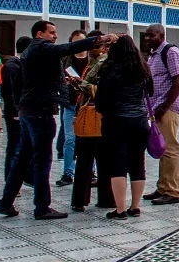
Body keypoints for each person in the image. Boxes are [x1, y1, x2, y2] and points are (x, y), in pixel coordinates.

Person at [0, 21, 113, 220]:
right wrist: (99, 39)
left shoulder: (32, 51)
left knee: (23, 158)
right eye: (51, 32)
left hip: (29, 109)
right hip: (39, 110)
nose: (55, 36)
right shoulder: (41, 47)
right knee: (42, 160)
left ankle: (6, 202)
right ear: (40, 34)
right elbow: (69, 48)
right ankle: (42, 207)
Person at [95, 35, 153, 220]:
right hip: (140, 121)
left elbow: (101, 98)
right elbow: (149, 91)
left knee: (117, 164)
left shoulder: (111, 68)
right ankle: (135, 207)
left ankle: (120, 209)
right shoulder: (143, 68)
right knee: (138, 164)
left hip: (116, 121)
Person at [142, 24, 179, 206]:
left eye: (151, 36)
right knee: (161, 148)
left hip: (167, 108)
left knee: (169, 149)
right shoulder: (154, 55)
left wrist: (164, 107)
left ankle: (173, 190)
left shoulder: (171, 52)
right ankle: (163, 186)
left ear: (161, 35)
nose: (147, 39)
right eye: (146, 36)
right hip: (156, 108)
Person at [71, 31, 111, 211]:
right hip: (89, 111)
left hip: (97, 112)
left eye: (95, 47)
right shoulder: (93, 63)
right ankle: (84, 199)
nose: (91, 50)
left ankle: (101, 198)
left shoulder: (104, 63)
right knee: (91, 159)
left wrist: (82, 84)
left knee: (94, 158)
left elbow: (102, 89)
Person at [55, 29, 88, 187]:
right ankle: (68, 172)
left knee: (89, 138)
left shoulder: (92, 60)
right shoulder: (65, 59)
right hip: (70, 104)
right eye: (76, 42)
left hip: (88, 105)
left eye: (82, 41)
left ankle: (91, 170)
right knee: (70, 139)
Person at [0, 37, 32, 188]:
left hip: (23, 111)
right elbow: (8, 91)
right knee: (14, 146)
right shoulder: (12, 66)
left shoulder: (23, 65)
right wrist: (14, 110)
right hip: (15, 112)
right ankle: (10, 179)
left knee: (24, 145)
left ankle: (26, 176)